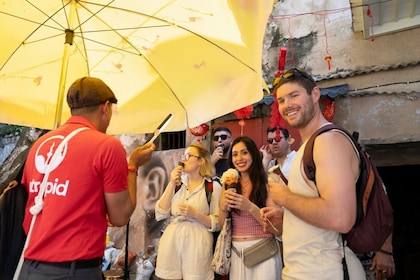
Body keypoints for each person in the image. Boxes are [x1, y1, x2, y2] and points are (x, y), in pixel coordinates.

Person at [260, 67, 395, 279]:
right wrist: (288, 217)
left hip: (325, 271)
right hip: (304, 270)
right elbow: (320, 211)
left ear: (315, 95)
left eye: (294, 95)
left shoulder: (328, 141)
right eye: (281, 100)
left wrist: (285, 197)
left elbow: (340, 217)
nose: (287, 105)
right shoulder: (310, 145)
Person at [17, 77, 155, 280]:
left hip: (29, 268)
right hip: (73, 271)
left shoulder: (40, 144)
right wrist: (132, 166)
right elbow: (120, 216)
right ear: (106, 108)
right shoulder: (107, 146)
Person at [154, 143, 222, 280]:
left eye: (188, 156)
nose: (183, 159)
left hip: (197, 244)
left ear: (200, 161)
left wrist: (196, 214)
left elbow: (218, 223)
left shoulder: (212, 186)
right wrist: (171, 182)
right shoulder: (178, 184)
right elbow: (160, 212)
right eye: (183, 156)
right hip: (172, 242)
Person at [219, 136, 282, 280]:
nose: (239, 158)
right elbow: (222, 225)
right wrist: (223, 209)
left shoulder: (268, 182)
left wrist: (250, 207)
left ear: (253, 154)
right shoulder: (228, 183)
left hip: (263, 253)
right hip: (237, 254)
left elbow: (276, 229)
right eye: (235, 154)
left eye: (244, 152)